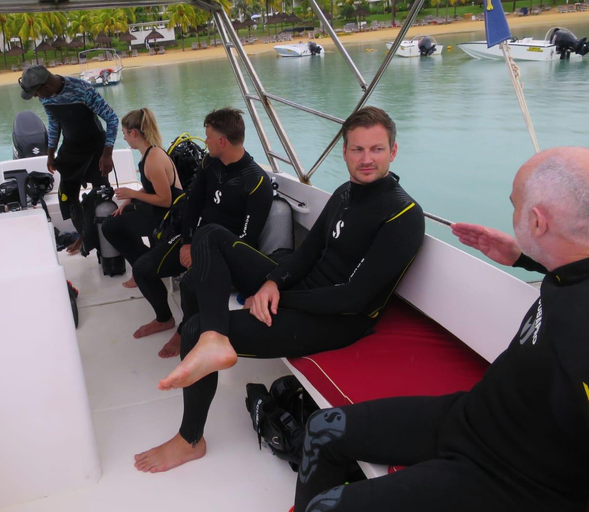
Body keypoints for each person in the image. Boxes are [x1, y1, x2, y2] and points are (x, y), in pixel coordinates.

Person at [293, 146, 589, 512]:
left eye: (515, 206)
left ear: (539, 222)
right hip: (473, 416)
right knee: (324, 429)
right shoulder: (572, 269)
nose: (511, 213)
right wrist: (522, 256)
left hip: (513, 477)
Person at [134, 106, 425, 474]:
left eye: (377, 149)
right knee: (210, 235)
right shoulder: (345, 193)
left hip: (338, 320)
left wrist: (277, 297)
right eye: (357, 149)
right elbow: (306, 255)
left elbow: (356, 298)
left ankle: (190, 439)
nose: (367, 159)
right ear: (345, 151)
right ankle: (214, 339)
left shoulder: (403, 215)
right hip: (304, 291)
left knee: (192, 329)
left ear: (393, 151)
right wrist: (273, 282)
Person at [128, 106, 273, 343]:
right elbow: (192, 204)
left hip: (227, 254)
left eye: (208, 137)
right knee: (142, 269)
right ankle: (164, 317)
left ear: (222, 141)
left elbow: (246, 241)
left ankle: (186, 329)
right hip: (196, 239)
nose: (205, 142)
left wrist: (204, 255)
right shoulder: (209, 163)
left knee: (190, 284)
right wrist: (187, 243)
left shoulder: (256, 182)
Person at [19, 65, 119, 255]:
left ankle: (104, 242)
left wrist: (107, 154)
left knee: (101, 196)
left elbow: (112, 119)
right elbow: (54, 122)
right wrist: (51, 153)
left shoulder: (82, 89)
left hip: (96, 147)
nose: (35, 97)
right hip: (72, 148)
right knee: (67, 196)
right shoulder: (45, 96)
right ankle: (83, 235)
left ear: (46, 86)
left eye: (35, 92)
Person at [101, 108, 182, 290]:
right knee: (118, 217)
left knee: (110, 227)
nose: (124, 138)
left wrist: (133, 194)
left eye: (124, 134)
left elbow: (165, 200)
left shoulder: (153, 159)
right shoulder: (150, 152)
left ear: (134, 133)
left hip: (168, 217)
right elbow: (152, 185)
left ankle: (143, 268)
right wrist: (128, 201)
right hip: (160, 211)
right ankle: (144, 264)